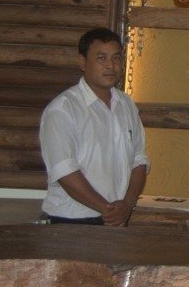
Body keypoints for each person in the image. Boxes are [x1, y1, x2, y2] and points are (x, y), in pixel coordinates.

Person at [39, 27, 149, 226]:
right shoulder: (63, 109)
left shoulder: (126, 105)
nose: (110, 66)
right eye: (101, 58)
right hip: (71, 223)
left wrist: (127, 204)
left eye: (116, 58)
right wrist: (107, 210)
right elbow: (64, 171)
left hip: (117, 218)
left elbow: (139, 160)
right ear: (82, 62)